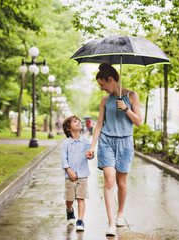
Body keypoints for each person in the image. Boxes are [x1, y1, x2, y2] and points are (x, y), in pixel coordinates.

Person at [85, 62, 142, 237]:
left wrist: (126, 109)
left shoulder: (132, 96)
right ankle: (110, 223)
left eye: (102, 84)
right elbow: (99, 124)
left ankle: (120, 213)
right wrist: (92, 145)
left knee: (121, 183)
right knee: (109, 181)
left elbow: (139, 121)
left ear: (110, 79)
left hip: (125, 143)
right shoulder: (105, 100)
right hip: (107, 143)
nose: (102, 89)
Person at [61, 115, 93, 231]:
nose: (79, 122)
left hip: (83, 175)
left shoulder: (86, 142)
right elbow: (64, 160)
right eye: (75, 122)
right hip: (70, 176)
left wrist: (91, 154)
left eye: (79, 121)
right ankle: (69, 210)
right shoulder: (66, 144)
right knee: (69, 198)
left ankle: (80, 220)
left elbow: (90, 155)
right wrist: (69, 171)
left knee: (81, 197)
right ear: (69, 128)